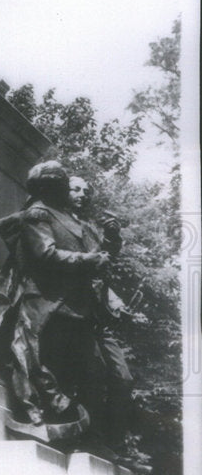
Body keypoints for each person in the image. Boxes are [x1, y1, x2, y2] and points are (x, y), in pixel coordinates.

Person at [0, 161, 113, 447]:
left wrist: (105, 250)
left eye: (61, 180)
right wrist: (89, 261)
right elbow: (45, 254)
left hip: (75, 307)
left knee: (91, 372)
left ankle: (82, 435)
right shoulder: (38, 214)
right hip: (47, 304)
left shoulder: (70, 218)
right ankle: (45, 422)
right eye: (56, 181)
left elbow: (93, 254)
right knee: (48, 367)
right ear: (44, 186)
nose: (61, 184)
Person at [67, 176, 134, 448]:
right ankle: (92, 439)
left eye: (86, 190)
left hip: (98, 316)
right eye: (76, 189)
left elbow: (102, 265)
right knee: (92, 376)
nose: (83, 194)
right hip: (75, 312)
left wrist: (112, 236)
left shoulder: (88, 227)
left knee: (124, 379)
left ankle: (115, 442)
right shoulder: (58, 222)